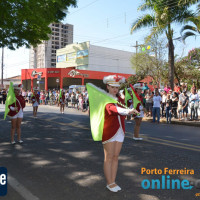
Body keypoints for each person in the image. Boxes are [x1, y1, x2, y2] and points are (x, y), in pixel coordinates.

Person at [101, 75, 139, 192]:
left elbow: (132, 103)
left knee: (116, 157)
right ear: (107, 87)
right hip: (109, 131)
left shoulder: (120, 99)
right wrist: (128, 111)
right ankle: (109, 183)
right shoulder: (105, 99)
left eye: (117, 87)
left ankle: (113, 181)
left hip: (120, 131)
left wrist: (133, 105)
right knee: (108, 157)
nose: (115, 89)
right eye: (112, 87)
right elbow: (113, 109)